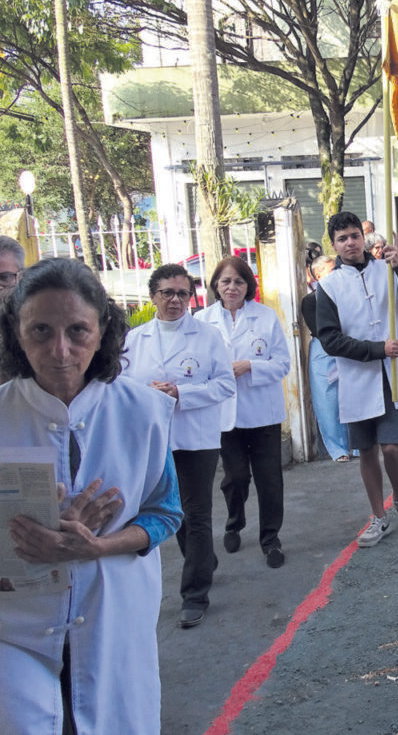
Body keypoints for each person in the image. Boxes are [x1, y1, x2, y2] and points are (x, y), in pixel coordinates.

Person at [0, 257, 183, 734]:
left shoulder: (143, 412)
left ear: (102, 330)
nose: (60, 350)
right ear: (16, 333)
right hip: (13, 631)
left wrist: (95, 547)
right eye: (40, 330)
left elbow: (166, 512)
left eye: (77, 331)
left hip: (112, 616)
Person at [123, 264, 235, 628]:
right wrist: (147, 394)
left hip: (196, 438)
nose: (175, 300)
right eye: (167, 293)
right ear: (153, 296)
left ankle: (195, 594)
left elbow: (224, 385)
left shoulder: (207, 336)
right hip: (155, 440)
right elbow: (120, 389)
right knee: (175, 513)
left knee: (198, 512)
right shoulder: (134, 339)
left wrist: (180, 393)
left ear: (192, 297)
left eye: (183, 294)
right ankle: (203, 560)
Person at [316, 211, 398, 548]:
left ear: (363, 238)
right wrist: (376, 348)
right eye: (342, 239)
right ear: (334, 245)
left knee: (393, 447)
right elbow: (329, 338)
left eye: (354, 235)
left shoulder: (388, 270)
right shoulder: (328, 286)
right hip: (355, 377)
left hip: (392, 374)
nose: (350, 243)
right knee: (367, 451)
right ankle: (378, 516)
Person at [195, 256, 291, 568]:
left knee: (269, 479)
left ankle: (270, 538)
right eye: (226, 281)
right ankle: (234, 522)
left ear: (248, 285)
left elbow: (282, 364)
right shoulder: (202, 322)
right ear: (215, 286)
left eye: (239, 281)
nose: (232, 287)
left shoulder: (266, 317)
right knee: (235, 477)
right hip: (225, 415)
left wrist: (250, 366)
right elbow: (197, 368)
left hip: (263, 412)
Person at [302, 255, 355, 462]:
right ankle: (337, 448)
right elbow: (319, 329)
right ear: (318, 275)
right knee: (327, 400)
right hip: (324, 350)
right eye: (331, 270)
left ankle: (357, 445)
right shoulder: (310, 301)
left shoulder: (348, 294)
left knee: (352, 395)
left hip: (349, 345)